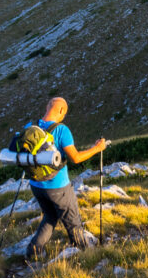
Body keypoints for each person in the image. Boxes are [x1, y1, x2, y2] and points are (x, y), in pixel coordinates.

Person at [25, 97, 108, 260]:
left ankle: (33, 251)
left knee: (50, 216)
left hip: (36, 184)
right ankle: (85, 254)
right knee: (73, 221)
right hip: (58, 186)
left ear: (48, 106)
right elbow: (75, 158)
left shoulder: (31, 128)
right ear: (61, 111)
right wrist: (97, 148)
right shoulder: (62, 130)